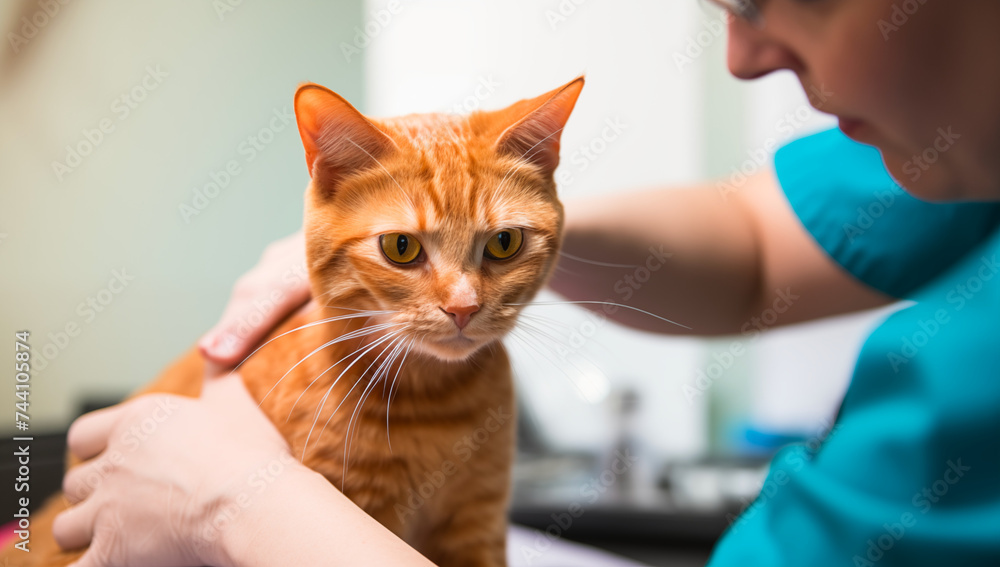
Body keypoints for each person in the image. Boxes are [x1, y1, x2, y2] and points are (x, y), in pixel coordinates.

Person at [53, 0, 1000, 565]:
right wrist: (495, 229)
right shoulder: (956, 146)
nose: (741, 57)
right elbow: (758, 244)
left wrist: (234, 502)